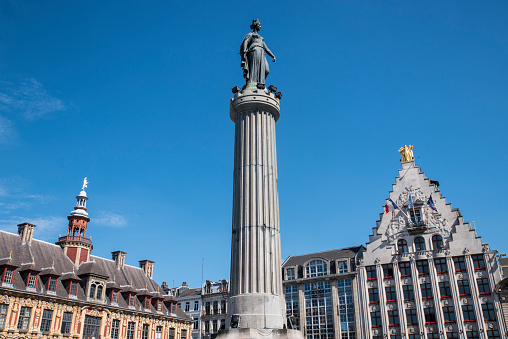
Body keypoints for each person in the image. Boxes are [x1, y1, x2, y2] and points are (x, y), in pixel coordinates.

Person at [240, 19, 276, 85]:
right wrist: (244, 50)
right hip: (254, 51)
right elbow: (246, 41)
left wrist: (273, 56)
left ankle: (261, 82)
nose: (260, 26)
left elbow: (266, 48)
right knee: (254, 69)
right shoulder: (250, 34)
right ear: (255, 25)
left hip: (262, 52)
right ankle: (252, 83)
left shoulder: (261, 38)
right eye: (259, 24)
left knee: (266, 70)